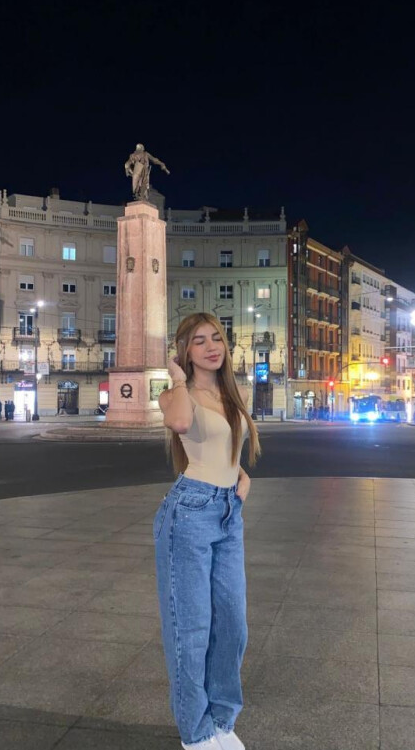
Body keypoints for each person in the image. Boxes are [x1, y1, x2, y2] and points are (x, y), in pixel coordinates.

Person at [154, 312, 260, 750]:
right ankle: (196, 734)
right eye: (199, 341)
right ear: (185, 351)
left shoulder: (235, 394)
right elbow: (181, 425)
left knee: (233, 623)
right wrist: (178, 378)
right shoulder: (175, 396)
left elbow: (231, 445)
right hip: (190, 513)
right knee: (191, 627)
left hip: (227, 512)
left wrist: (242, 477)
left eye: (216, 338)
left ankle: (221, 718)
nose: (212, 346)